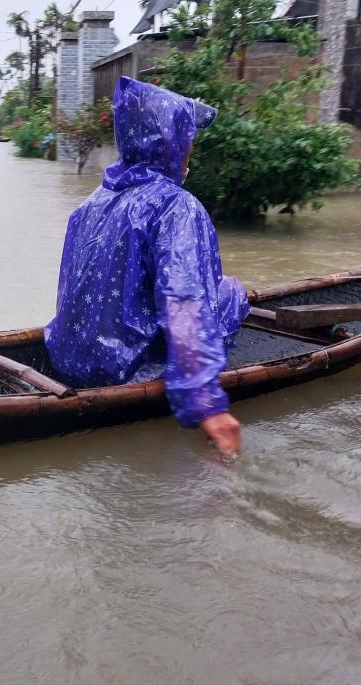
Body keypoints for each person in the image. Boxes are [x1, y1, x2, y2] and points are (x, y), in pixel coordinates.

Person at [44, 76, 250, 458]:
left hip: (66, 358)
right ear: (170, 144)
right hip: (124, 372)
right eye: (187, 142)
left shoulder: (90, 203)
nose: (190, 154)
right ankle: (193, 380)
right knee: (231, 292)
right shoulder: (176, 206)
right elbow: (185, 303)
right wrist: (209, 408)